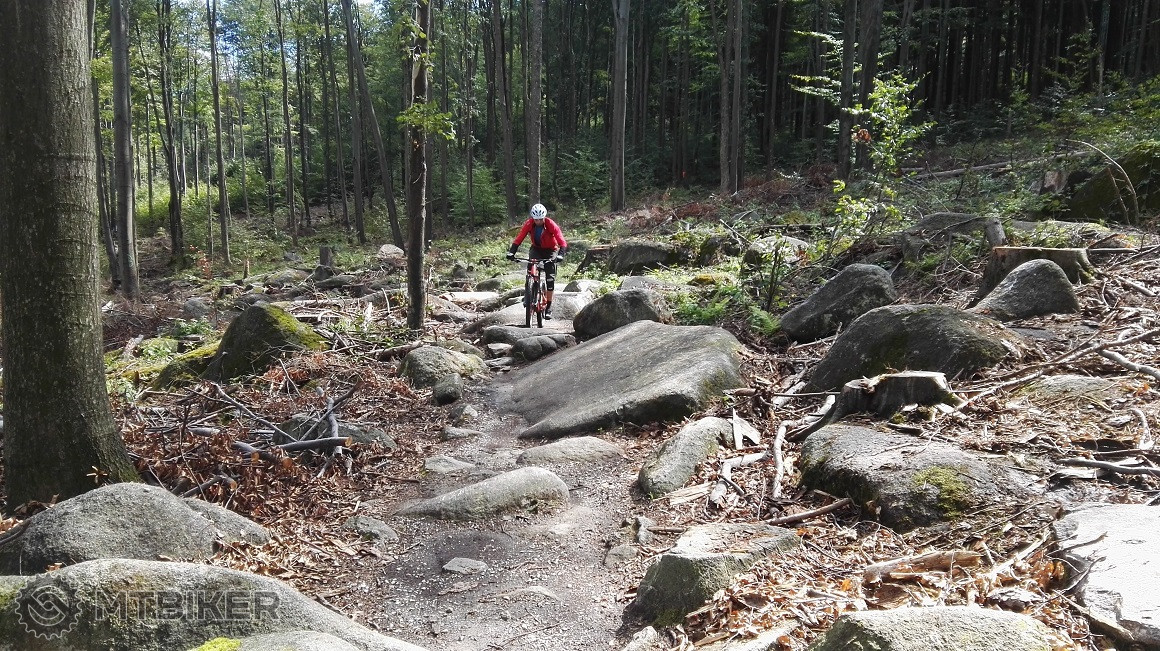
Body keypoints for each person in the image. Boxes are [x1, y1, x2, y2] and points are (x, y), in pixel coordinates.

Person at [506, 203, 567, 319]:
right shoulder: (529, 224)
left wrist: (560, 254)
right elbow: (520, 237)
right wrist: (512, 252)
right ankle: (528, 294)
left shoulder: (550, 224)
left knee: (550, 278)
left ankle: (548, 307)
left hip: (550, 250)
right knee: (530, 269)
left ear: (544, 217)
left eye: (540, 219)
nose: (538, 221)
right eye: (536, 219)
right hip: (536, 249)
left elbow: (562, 241)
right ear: (533, 218)